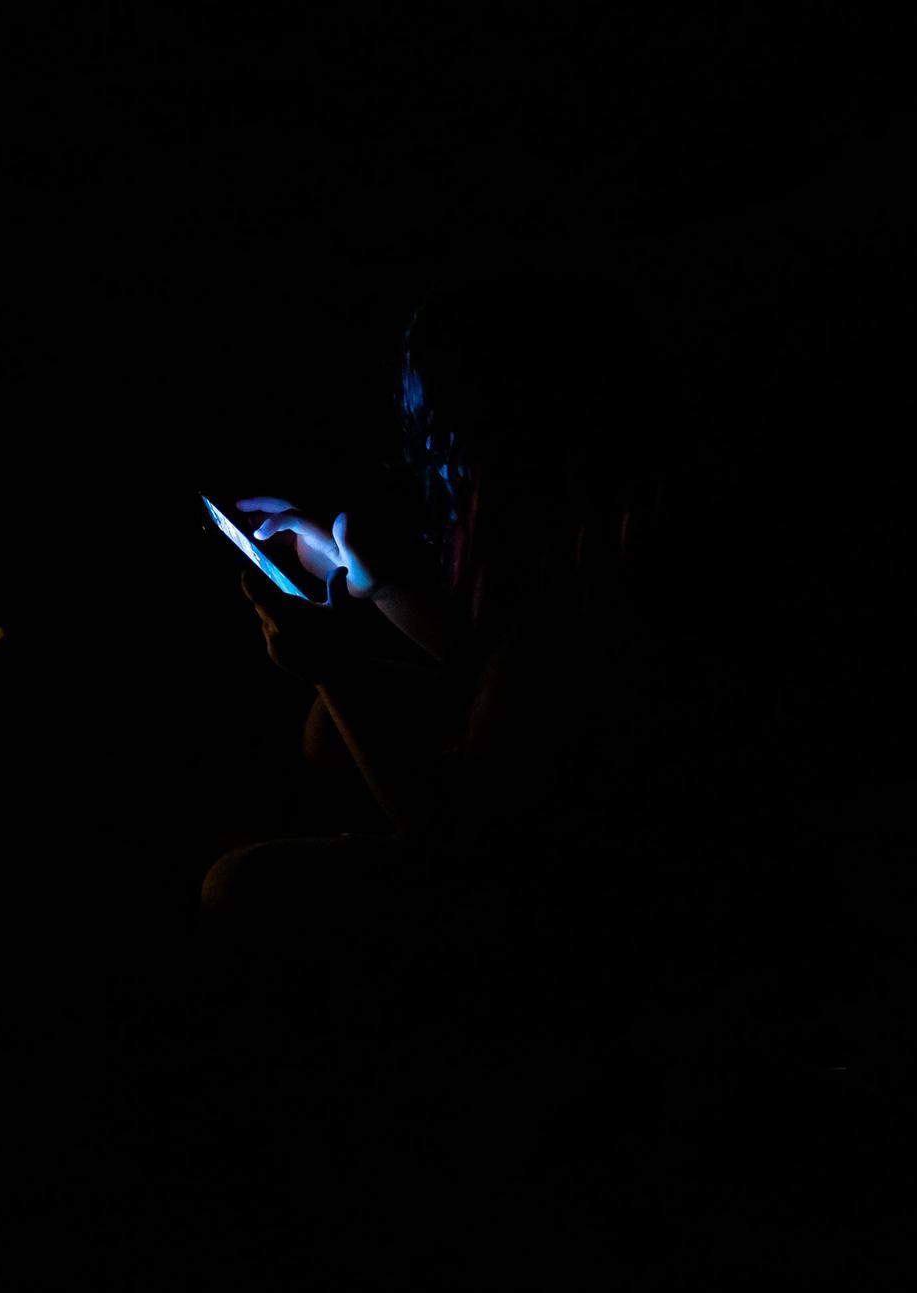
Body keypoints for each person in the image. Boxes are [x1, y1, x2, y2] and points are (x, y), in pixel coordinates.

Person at [200, 270, 689, 1035]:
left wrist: (329, 664)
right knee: (323, 733)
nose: (429, 446)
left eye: (441, 424)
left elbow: (475, 833)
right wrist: (364, 579)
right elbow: (477, 658)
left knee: (233, 885)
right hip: (530, 767)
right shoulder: (546, 515)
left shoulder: (589, 583)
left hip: (564, 878)